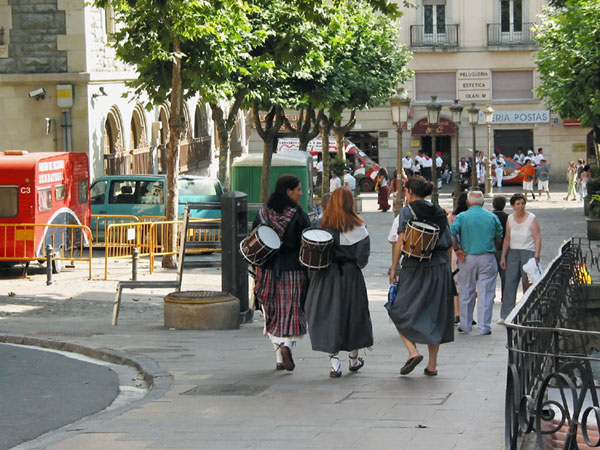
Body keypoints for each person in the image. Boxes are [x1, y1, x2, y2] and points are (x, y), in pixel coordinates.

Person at [388, 176, 454, 376]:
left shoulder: (407, 211)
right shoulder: (440, 212)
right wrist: (449, 269)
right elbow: (449, 242)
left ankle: (412, 351)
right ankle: (432, 365)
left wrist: (393, 268)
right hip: (440, 266)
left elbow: (400, 241)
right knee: (436, 313)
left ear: (408, 191)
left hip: (414, 266)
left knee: (396, 308)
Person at [304, 187, 373, 378]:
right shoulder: (359, 227)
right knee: (354, 316)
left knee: (328, 316)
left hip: (326, 276)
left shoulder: (319, 225)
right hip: (351, 276)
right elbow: (362, 259)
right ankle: (353, 358)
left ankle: (335, 364)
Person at [252, 175, 311, 371]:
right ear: (289, 191)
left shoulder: (263, 213)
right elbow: (307, 243)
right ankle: (286, 346)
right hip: (292, 270)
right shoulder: (298, 215)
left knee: (272, 312)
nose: (301, 193)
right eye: (299, 189)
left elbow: (254, 236)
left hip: (266, 270)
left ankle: (279, 357)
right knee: (291, 313)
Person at [450, 191, 503, 335]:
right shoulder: (491, 217)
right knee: (486, 293)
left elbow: (451, 233)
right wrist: (493, 247)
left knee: (466, 291)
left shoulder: (462, 216)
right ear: (483, 203)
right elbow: (499, 236)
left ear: (467, 203)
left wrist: (457, 249)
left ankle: (465, 324)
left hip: (467, 257)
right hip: (487, 256)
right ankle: (484, 326)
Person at [499, 193, 542, 320]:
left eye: (523, 203)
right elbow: (507, 238)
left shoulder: (531, 218)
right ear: (512, 206)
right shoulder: (510, 219)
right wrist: (503, 256)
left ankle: (529, 313)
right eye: (518, 204)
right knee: (509, 283)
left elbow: (537, 237)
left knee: (527, 283)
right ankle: (506, 314)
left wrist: (536, 255)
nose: (521, 206)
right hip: (513, 252)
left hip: (528, 252)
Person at [449, 191, 469, 324]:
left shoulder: (452, 216)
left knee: (455, 284)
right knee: (469, 284)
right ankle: (467, 314)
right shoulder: (469, 216)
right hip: (468, 251)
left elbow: (450, 235)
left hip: (455, 252)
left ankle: (456, 313)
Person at [492, 196, 509, 300]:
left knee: (491, 276)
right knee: (505, 276)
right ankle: (504, 297)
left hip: (491, 249)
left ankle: (491, 296)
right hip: (504, 249)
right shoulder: (508, 217)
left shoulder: (489, 216)